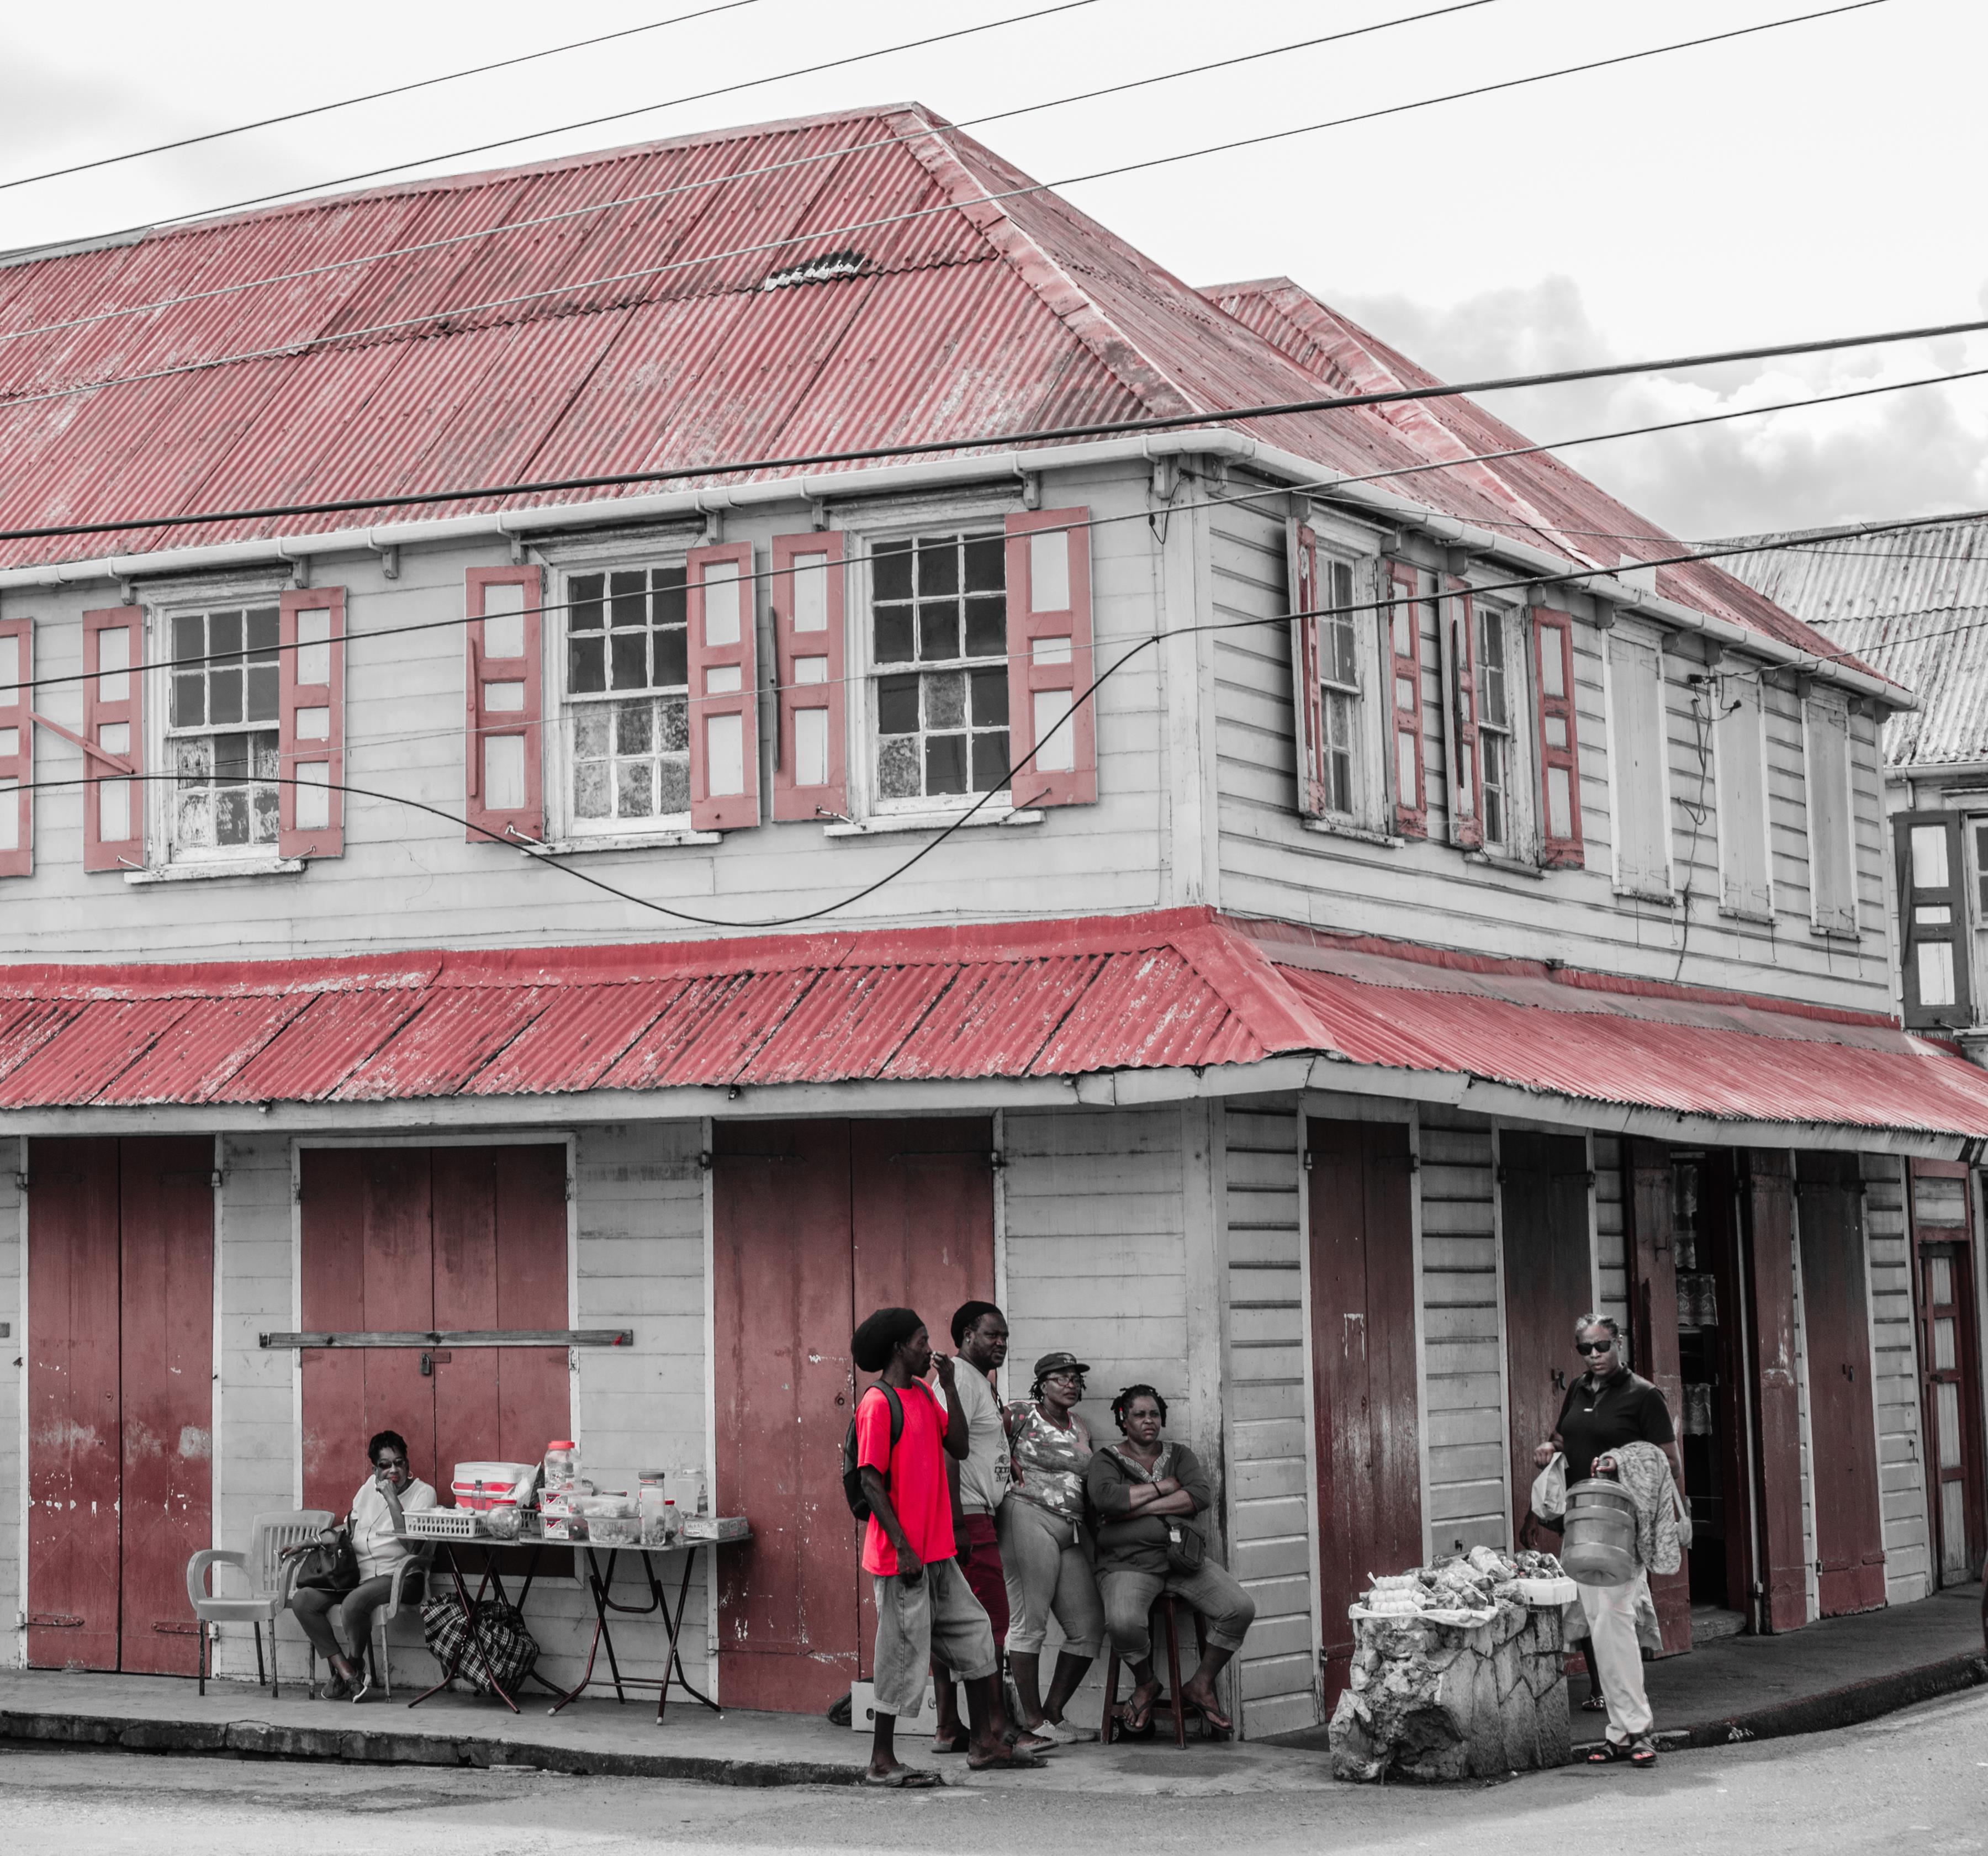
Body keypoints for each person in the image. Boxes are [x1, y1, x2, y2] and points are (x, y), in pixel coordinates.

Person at [852, 1306, 1043, 1784]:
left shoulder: (923, 1393)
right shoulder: (878, 1403)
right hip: (904, 1558)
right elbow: (870, 1481)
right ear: (899, 1348)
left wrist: (952, 1387)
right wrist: (903, 1547)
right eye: (921, 1341)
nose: (929, 1349)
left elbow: (957, 1445)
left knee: (977, 1634)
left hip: (937, 1553)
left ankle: (985, 1744)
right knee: (900, 1654)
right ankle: (881, 1761)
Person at [1533, 1313, 1680, 1769]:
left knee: (1614, 1623)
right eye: (1585, 1348)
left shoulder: (1644, 1395)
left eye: (1602, 1345)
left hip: (1621, 1527)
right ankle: (1621, 1732)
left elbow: (1670, 1462)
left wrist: (1622, 1460)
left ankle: (1636, 1730)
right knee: (1601, 1626)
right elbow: (1565, 1437)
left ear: (1619, 1342)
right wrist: (1550, 1448)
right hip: (1583, 1522)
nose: (1595, 1355)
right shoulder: (1579, 1389)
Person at [1087, 1385, 1255, 1736]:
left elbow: (1199, 1495)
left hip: (1183, 1559)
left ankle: (1200, 1685)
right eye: (1139, 1415)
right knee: (1123, 1622)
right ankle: (1146, 1683)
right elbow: (1106, 1500)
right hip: (1128, 1563)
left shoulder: (1179, 1454)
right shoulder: (1106, 1460)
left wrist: (1134, 1507)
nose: (1148, 1420)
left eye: (1154, 1414)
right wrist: (1165, 1488)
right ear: (1124, 1419)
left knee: (1239, 1608)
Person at [929, 1302, 1052, 1758]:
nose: (1001, 1343)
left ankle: (949, 1725)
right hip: (967, 1515)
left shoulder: (978, 1379)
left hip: (976, 1511)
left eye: (1004, 1336)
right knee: (992, 1622)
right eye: (991, 1335)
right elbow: (947, 1448)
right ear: (966, 1335)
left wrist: (1006, 1461)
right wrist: (956, 1523)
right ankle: (998, 1727)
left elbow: (977, 1438)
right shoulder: (958, 1377)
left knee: (953, 1622)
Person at [999, 1350, 1107, 1742]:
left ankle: (1054, 1714)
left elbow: (1088, 1487)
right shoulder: (1020, 1413)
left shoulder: (1081, 1427)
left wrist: (1100, 1540)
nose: (1071, 1384)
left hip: (1069, 1528)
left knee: (1088, 1626)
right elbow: (978, 1443)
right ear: (1042, 1385)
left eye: (1076, 1379)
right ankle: (1032, 1722)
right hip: (1027, 1515)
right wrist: (1003, 1461)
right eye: (1061, 1378)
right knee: (1030, 1623)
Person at [289, 1429, 437, 1701]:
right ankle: (347, 1671)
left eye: (399, 1463)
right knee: (303, 1601)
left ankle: (354, 1665)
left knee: (353, 1604)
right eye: (385, 1465)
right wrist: (307, 1543)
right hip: (358, 1576)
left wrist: (392, 1498)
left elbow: (412, 1546)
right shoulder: (368, 1488)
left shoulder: (423, 1494)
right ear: (375, 1469)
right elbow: (347, 1530)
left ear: (408, 1464)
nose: (394, 1470)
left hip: (401, 1576)